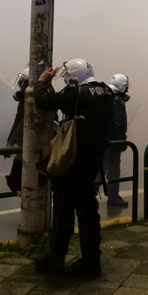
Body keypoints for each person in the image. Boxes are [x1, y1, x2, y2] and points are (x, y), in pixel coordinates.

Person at [33, 59, 114, 280]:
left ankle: (59, 258)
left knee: (64, 210)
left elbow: (45, 101)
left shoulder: (76, 93)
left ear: (73, 76)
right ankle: (90, 260)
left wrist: (41, 82)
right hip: (92, 158)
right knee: (87, 212)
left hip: (73, 159)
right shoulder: (106, 91)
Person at [104, 73, 130, 208]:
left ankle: (89, 197)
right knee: (113, 170)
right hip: (113, 141)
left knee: (100, 170)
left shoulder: (104, 95)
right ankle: (114, 198)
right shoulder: (117, 100)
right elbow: (119, 123)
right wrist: (122, 141)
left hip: (102, 140)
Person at [4, 67, 29, 193]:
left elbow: (19, 123)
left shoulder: (28, 100)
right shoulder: (32, 98)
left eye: (23, 82)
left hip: (27, 143)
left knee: (15, 181)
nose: (20, 84)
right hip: (29, 143)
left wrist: (10, 143)